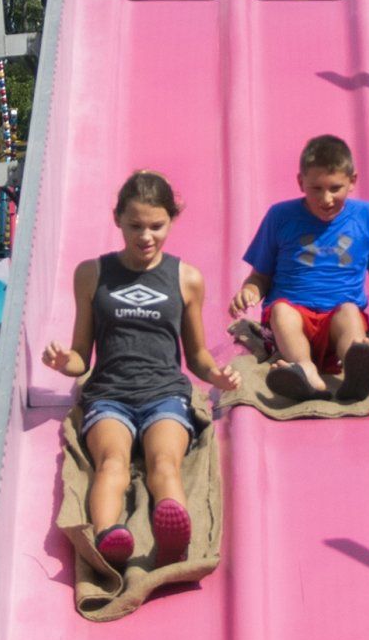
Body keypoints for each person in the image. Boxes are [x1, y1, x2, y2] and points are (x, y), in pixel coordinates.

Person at [44, 168, 231, 570]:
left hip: (165, 393)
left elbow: (196, 354)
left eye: (156, 226)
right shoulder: (92, 274)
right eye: (135, 226)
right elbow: (81, 354)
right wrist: (65, 364)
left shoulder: (187, 279)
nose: (146, 236)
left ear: (171, 220)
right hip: (110, 396)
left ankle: (173, 538)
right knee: (111, 462)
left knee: (164, 462)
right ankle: (110, 535)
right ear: (117, 220)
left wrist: (216, 375)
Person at [230, 133, 369, 405]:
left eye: (335, 188)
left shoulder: (367, 216)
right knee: (280, 310)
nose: (326, 199)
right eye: (316, 188)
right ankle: (305, 371)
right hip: (293, 318)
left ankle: (356, 367)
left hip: (339, 317)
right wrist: (249, 291)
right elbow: (260, 276)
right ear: (301, 182)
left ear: (353, 182)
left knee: (349, 311)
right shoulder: (280, 216)